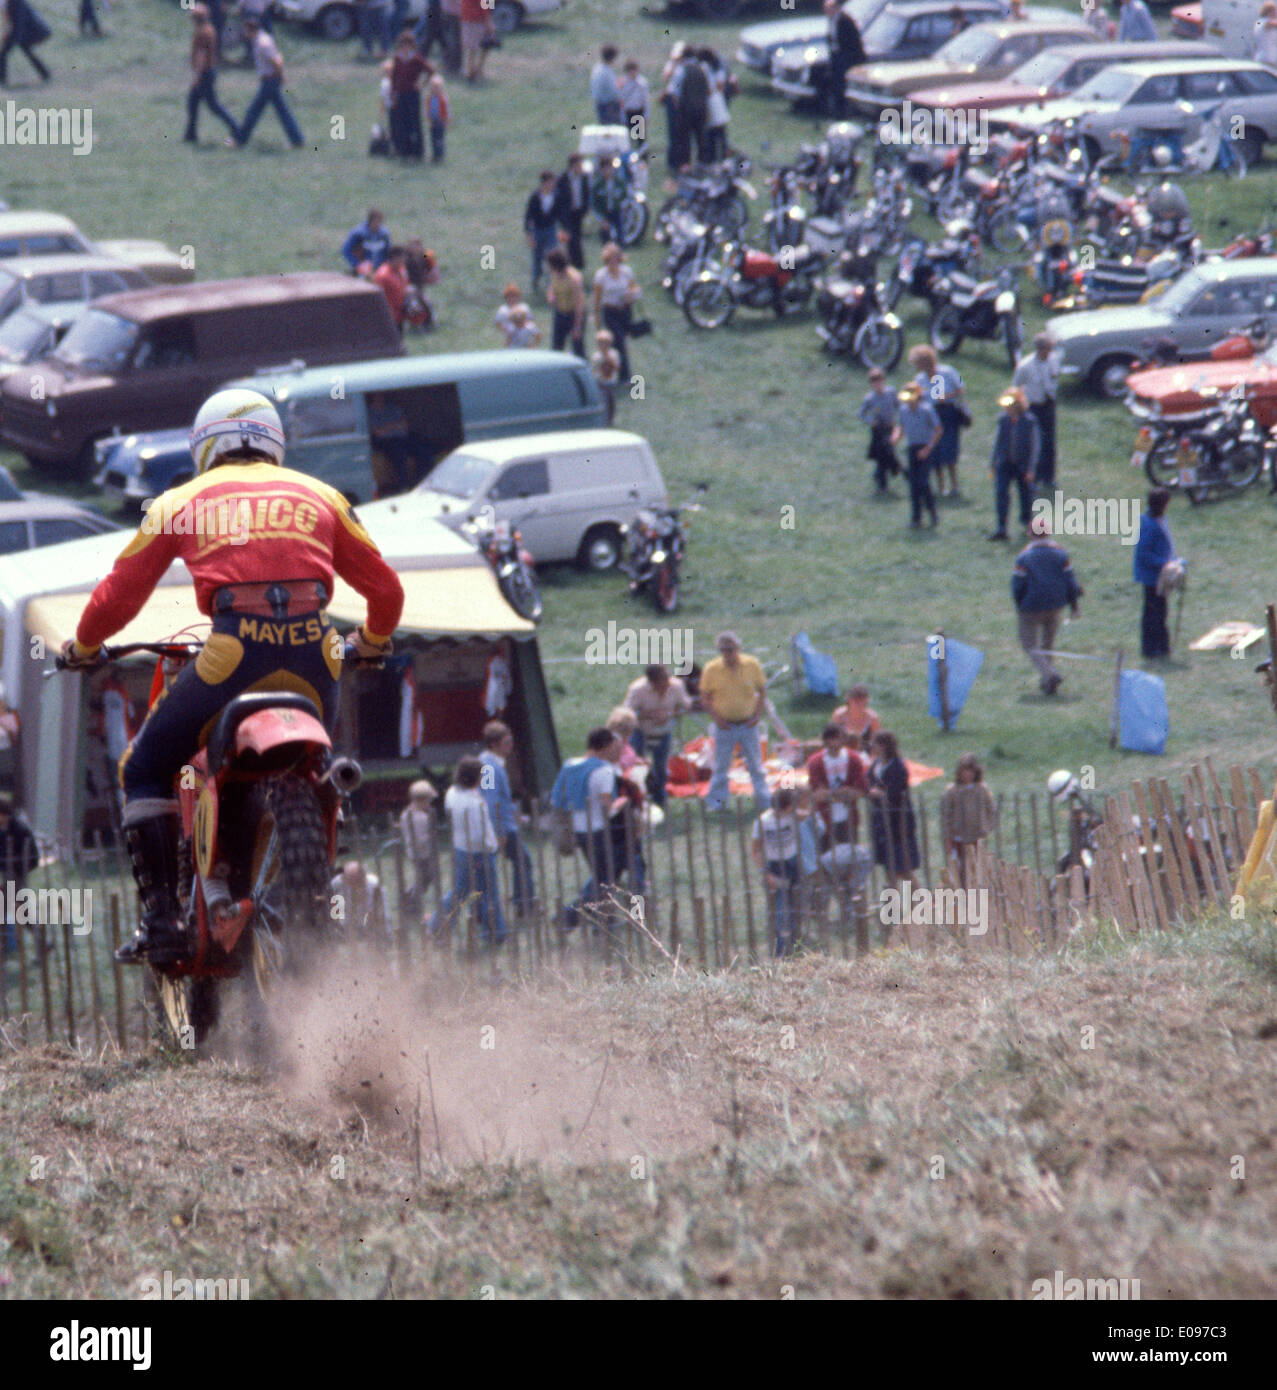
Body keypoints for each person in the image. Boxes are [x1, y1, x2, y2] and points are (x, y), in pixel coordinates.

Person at [59, 387, 404, 965]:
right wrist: (369, 642)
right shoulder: (322, 495)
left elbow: (118, 594)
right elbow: (387, 591)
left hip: (231, 654)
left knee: (143, 767)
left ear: (205, 447)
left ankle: (162, 920)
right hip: (317, 657)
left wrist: (84, 645)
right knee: (314, 765)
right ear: (275, 445)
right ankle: (315, 856)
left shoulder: (180, 500)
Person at [556, 727, 636, 930]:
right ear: (606, 746)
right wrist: (624, 801)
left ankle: (606, 922)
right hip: (598, 830)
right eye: (613, 746)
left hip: (578, 829)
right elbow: (607, 809)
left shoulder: (569, 765)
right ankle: (568, 916)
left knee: (603, 877)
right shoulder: (603, 770)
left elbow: (558, 797)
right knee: (606, 880)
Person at [428, 755, 507, 945]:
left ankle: (437, 925)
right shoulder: (474, 802)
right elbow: (482, 833)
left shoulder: (452, 793)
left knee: (460, 891)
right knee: (489, 893)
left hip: (460, 848)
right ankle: (495, 934)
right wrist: (493, 846)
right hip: (479, 852)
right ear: (475, 777)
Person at [701, 631, 772, 813]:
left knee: (756, 765)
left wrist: (757, 716)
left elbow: (762, 691)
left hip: (748, 723)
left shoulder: (752, 664)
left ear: (738, 648)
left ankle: (764, 801)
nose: (728, 653)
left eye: (731, 649)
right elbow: (705, 697)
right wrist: (717, 719)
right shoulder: (711, 669)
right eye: (723, 650)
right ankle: (716, 803)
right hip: (724, 725)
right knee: (721, 766)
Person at [1012, 515, 1081, 696]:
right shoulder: (1061, 553)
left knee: (1029, 645)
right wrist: (1074, 605)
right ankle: (1049, 685)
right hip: (1056, 605)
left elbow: (1017, 585)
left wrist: (1020, 604)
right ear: (1048, 532)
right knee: (1047, 645)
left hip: (1031, 606)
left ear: (1030, 533)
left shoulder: (1024, 556)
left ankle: (1050, 674)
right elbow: (1071, 581)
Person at [479, 720, 535, 918]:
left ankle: (482, 910)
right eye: (507, 743)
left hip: (504, 822)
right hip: (501, 827)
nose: (511, 747)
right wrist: (498, 831)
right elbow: (489, 799)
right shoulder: (489, 767)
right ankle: (524, 904)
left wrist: (513, 810)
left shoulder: (491, 764)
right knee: (522, 860)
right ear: (494, 745)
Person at [624, 662, 693, 807]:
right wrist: (649, 715)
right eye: (661, 681)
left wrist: (669, 714)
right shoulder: (637, 689)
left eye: (666, 678)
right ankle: (637, 797)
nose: (666, 684)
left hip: (664, 732)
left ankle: (659, 797)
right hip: (641, 731)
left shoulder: (676, 686)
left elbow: (686, 707)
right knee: (637, 766)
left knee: (661, 767)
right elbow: (628, 713)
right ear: (652, 681)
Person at [233, 16, 304, 150]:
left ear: (250, 29)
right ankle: (297, 140)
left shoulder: (262, 43)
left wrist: (280, 76)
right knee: (282, 112)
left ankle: (239, 140)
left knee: (253, 112)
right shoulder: (263, 39)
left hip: (269, 81)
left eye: (246, 31)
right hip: (270, 81)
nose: (245, 34)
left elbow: (277, 62)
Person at [867, 729, 919, 909]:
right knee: (889, 868)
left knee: (904, 868)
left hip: (898, 823)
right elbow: (868, 783)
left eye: (876, 743)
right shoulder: (875, 765)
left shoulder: (898, 767)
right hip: (881, 823)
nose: (873, 747)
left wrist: (879, 794)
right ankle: (893, 906)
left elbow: (896, 792)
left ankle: (921, 902)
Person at [751, 787, 804, 957]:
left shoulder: (793, 816)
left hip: (793, 865)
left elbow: (808, 812)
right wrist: (766, 873)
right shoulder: (762, 822)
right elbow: (756, 850)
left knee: (797, 906)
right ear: (786, 806)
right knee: (781, 910)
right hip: (775, 867)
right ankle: (781, 951)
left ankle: (797, 945)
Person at [910, 343, 965, 499]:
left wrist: (946, 396)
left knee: (949, 450)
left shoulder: (947, 372)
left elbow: (961, 389)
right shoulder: (919, 378)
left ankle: (954, 485)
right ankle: (942, 487)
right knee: (935, 453)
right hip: (931, 415)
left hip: (947, 413)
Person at [806, 723, 868, 856]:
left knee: (850, 859)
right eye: (833, 739)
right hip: (823, 820)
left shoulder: (853, 759)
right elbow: (817, 795)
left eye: (841, 738)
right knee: (825, 860)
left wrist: (830, 794)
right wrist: (844, 793)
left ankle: (906, 880)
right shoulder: (815, 762)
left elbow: (861, 790)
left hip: (848, 819)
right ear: (826, 740)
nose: (837, 743)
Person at [988, 386, 1040, 541]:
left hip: (1022, 465)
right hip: (1005, 463)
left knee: (1025, 496)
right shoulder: (1003, 419)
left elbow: (1035, 446)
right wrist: (992, 463)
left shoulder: (1030, 421)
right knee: (1001, 492)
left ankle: (1027, 525)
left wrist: (1031, 469)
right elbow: (997, 442)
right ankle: (1001, 528)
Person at [184, 4, 239, 146]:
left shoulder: (202, 32)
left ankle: (236, 128)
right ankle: (190, 134)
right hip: (210, 71)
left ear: (196, 19)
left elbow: (201, 55)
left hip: (205, 73)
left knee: (212, 105)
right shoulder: (210, 28)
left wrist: (197, 75)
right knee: (193, 102)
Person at [1134, 486, 1179, 659]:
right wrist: (1165, 563)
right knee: (1154, 613)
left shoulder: (1159, 520)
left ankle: (1161, 645)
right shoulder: (1149, 526)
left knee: (1160, 611)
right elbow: (1143, 554)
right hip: (1152, 577)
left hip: (1159, 575)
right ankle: (1151, 648)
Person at [1012, 331, 1060, 491]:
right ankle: (1033, 477)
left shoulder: (1053, 360)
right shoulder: (1026, 366)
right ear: (1040, 349)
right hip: (1033, 407)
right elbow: (1015, 387)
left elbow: (1054, 378)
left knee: (1049, 442)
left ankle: (1049, 477)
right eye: (1047, 349)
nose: (1049, 353)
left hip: (1049, 404)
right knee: (1034, 444)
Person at [939, 753, 996, 886]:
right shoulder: (952, 791)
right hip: (959, 837)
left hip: (977, 836)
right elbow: (946, 817)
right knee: (961, 869)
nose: (967, 774)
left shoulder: (982, 790)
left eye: (970, 770)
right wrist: (948, 838)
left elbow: (991, 810)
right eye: (964, 770)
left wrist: (986, 827)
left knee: (977, 867)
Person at [891, 381, 941, 529]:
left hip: (926, 448)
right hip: (913, 449)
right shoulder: (903, 410)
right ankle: (916, 518)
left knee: (923, 483)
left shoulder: (927, 410)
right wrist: (895, 437)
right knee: (913, 485)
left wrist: (928, 448)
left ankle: (932, 512)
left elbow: (938, 430)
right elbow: (901, 427)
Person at [592, 241, 641, 386]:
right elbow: (597, 299)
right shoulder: (601, 276)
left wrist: (630, 295)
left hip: (625, 311)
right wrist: (597, 321)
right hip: (610, 312)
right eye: (610, 258)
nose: (613, 261)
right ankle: (625, 377)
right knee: (619, 342)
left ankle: (610, 372)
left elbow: (635, 288)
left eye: (615, 257)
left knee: (620, 343)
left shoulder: (626, 272)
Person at [0, 793, 38, 955]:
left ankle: (41, 941)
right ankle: (6, 946)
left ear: (4, 813)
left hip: (18, 876)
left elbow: (33, 858)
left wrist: (17, 868)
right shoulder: (2, 830)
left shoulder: (20, 829)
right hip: (7, 876)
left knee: (21, 912)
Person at [386, 29, 429, 159]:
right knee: (401, 122)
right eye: (402, 45)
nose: (405, 48)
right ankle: (404, 151)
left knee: (414, 122)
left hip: (412, 94)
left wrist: (422, 84)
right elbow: (394, 78)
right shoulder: (397, 58)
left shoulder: (416, 59)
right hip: (400, 94)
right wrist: (392, 94)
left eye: (407, 45)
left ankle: (418, 152)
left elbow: (430, 70)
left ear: (412, 45)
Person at [399, 779, 438, 916]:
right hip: (422, 853)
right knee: (425, 879)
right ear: (422, 800)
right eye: (428, 800)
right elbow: (422, 839)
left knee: (424, 878)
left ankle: (408, 896)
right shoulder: (422, 818)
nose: (429, 804)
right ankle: (412, 903)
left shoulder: (405, 813)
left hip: (413, 852)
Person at [858, 367, 900, 494]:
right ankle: (882, 484)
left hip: (889, 428)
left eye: (879, 381)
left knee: (889, 454)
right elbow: (861, 414)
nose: (877, 384)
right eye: (874, 382)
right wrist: (871, 421)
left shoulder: (891, 392)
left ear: (884, 381)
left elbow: (899, 405)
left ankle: (888, 470)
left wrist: (897, 420)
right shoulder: (870, 398)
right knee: (882, 456)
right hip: (878, 430)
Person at [825, 0, 865, 121]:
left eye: (829, 8)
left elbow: (853, 42)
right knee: (835, 85)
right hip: (836, 57)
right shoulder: (832, 21)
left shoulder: (845, 21)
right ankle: (837, 112)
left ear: (837, 8)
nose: (827, 11)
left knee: (843, 86)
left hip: (847, 58)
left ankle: (845, 113)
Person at [331, 860, 390, 941]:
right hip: (344, 926)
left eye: (357, 881)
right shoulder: (337, 884)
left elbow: (383, 914)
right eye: (350, 881)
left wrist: (385, 935)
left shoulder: (375, 886)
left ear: (364, 878)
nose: (354, 885)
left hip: (367, 926)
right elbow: (333, 911)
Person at [524, 169, 561, 295]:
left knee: (552, 258)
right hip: (538, 231)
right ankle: (535, 282)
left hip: (551, 230)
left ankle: (550, 287)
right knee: (537, 259)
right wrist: (529, 234)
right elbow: (528, 216)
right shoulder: (535, 197)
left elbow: (560, 213)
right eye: (550, 182)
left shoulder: (556, 196)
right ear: (544, 183)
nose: (552, 185)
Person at [545, 247, 586, 357]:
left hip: (574, 314)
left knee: (578, 348)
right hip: (560, 313)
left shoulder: (574, 278)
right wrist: (551, 297)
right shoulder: (554, 274)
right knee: (556, 348)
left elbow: (579, 303)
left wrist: (577, 327)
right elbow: (551, 289)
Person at [674, 45, 710, 166]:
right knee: (701, 138)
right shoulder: (702, 68)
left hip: (685, 110)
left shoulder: (681, 70)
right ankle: (702, 163)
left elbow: (676, 93)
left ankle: (685, 165)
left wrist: (677, 109)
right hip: (701, 109)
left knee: (684, 140)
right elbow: (707, 89)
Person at [555, 153, 591, 271]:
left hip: (578, 213)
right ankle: (575, 265)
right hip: (567, 214)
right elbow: (559, 200)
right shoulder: (562, 179)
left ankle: (576, 265)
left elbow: (586, 194)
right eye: (579, 165)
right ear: (573, 166)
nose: (580, 168)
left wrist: (585, 209)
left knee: (577, 238)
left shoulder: (584, 178)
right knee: (571, 239)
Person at [0, 0, 51, 85]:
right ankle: (45, 74)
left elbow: (18, 23)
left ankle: (2, 81)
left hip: (35, 31)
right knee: (26, 50)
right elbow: (9, 18)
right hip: (26, 31)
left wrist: (10, 38)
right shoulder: (10, 2)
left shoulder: (16, 2)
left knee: (3, 54)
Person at [658, 41, 689, 171]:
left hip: (681, 101)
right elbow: (665, 77)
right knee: (674, 134)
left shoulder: (685, 67)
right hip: (673, 100)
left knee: (682, 134)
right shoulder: (673, 66)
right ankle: (673, 162)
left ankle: (682, 161)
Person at [701, 47, 732, 162]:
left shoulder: (712, 68)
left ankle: (722, 156)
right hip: (715, 101)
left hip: (713, 102)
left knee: (718, 132)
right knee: (716, 132)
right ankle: (715, 157)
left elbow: (718, 86)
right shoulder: (712, 68)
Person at [590, 155, 629, 246]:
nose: (607, 171)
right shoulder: (597, 185)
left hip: (617, 211)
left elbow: (625, 196)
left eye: (609, 168)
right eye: (605, 169)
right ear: (601, 170)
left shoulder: (619, 182)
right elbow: (594, 204)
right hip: (604, 212)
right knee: (605, 237)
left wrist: (622, 206)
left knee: (620, 236)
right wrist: (601, 218)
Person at [831, 683, 880, 751]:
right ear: (849, 700)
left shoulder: (872, 718)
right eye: (856, 701)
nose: (859, 704)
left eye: (862, 701)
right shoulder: (839, 716)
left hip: (865, 754)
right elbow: (832, 738)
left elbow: (878, 743)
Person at [373, 245, 411, 332]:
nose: (404, 261)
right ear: (394, 258)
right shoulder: (383, 275)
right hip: (387, 318)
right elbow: (377, 297)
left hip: (400, 315)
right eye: (402, 259)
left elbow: (405, 285)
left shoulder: (402, 269)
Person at [459, 0, 494, 83]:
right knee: (473, 47)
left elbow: (490, 4)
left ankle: (476, 70)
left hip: (471, 17)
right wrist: (489, 22)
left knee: (481, 46)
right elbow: (485, 4)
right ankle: (471, 72)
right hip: (475, 19)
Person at [591, 327, 621, 423]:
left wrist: (607, 357)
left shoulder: (614, 354)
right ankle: (604, 419)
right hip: (601, 383)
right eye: (601, 343)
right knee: (604, 402)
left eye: (605, 343)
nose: (603, 346)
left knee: (612, 402)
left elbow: (616, 367)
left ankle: (611, 419)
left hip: (611, 382)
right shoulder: (596, 356)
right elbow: (594, 370)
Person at [590, 44, 621, 124]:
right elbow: (613, 92)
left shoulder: (597, 68)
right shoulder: (606, 72)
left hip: (599, 104)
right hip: (609, 106)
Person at [619, 59, 649, 141]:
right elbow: (621, 100)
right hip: (628, 112)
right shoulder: (623, 82)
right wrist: (622, 117)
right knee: (627, 139)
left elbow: (645, 101)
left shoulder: (642, 82)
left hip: (639, 112)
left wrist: (646, 116)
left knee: (640, 138)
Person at [426, 71, 448, 162]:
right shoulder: (430, 98)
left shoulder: (442, 99)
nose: (435, 89)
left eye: (437, 88)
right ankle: (434, 154)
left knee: (439, 139)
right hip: (433, 120)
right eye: (433, 87)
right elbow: (428, 109)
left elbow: (446, 111)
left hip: (440, 121)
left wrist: (446, 120)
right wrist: (429, 119)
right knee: (433, 138)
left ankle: (440, 155)